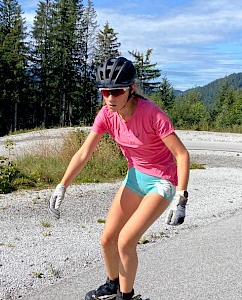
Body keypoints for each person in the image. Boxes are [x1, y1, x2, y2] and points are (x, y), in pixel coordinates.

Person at [49, 57, 190, 300]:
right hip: (135, 176)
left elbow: (182, 154)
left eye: (116, 91)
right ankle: (112, 286)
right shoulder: (106, 114)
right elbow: (84, 152)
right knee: (107, 240)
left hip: (162, 181)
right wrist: (62, 185)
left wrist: (181, 198)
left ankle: (127, 297)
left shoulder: (152, 114)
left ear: (131, 89)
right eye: (105, 92)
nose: (110, 98)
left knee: (125, 241)